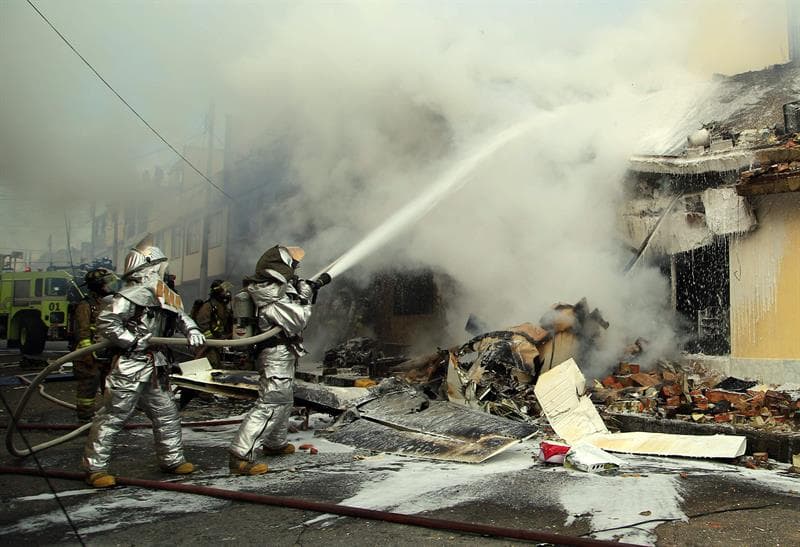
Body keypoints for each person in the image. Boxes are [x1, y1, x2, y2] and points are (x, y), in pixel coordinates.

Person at [82, 235, 206, 488]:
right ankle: (95, 468)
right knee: (114, 416)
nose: (165, 270)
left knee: (167, 413)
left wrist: (192, 331)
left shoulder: (162, 294)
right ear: (148, 267)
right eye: (161, 266)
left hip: (155, 366)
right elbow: (107, 322)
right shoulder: (130, 296)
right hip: (130, 364)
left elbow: (181, 316)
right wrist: (133, 341)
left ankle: (172, 459)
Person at [228, 245, 325, 476]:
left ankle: (275, 443)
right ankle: (241, 455)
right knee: (271, 402)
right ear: (280, 266)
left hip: (284, 351)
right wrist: (304, 296)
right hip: (275, 353)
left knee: (285, 399)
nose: (297, 267)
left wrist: (306, 291)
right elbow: (298, 319)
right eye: (293, 263)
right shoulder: (270, 292)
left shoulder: (277, 289)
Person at [73, 268, 116, 422]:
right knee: (88, 386)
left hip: (107, 354)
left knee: (111, 387)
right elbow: (82, 332)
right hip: (89, 355)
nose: (112, 286)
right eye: (108, 283)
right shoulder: (86, 305)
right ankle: (85, 419)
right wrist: (88, 353)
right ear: (99, 285)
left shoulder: (113, 303)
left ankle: (110, 416)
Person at [193, 280, 233, 368]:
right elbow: (202, 325)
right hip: (207, 345)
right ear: (217, 292)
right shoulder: (208, 307)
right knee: (212, 364)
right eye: (224, 290)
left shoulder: (222, 306)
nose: (226, 293)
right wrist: (212, 340)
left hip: (217, 343)